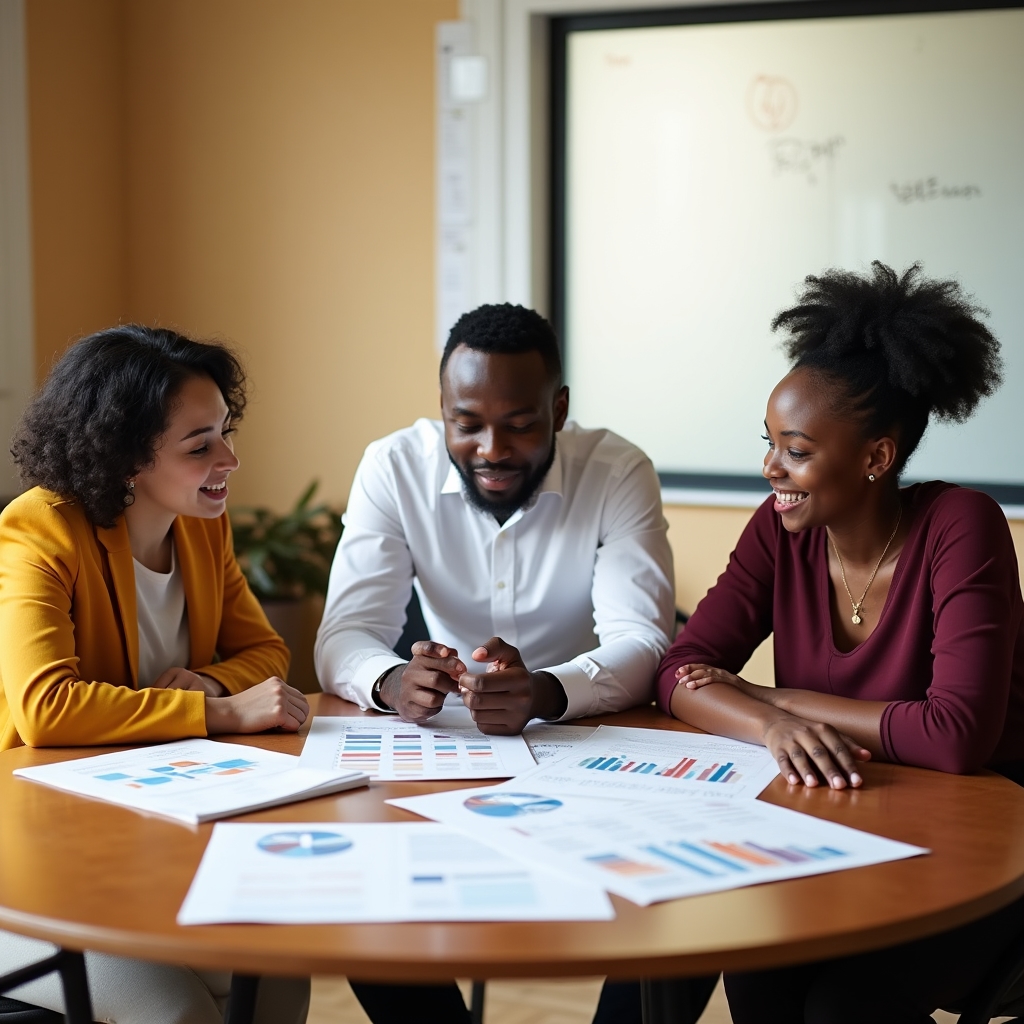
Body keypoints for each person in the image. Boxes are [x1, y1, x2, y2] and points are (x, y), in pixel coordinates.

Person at [316, 303, 714, 1023]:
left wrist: (549, 691)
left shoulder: (618, 470)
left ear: (559, 410)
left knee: (692, 903)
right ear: (440, 410)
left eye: (521, 423)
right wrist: (389, 680)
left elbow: (644, 640)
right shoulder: (392, 466)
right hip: (450, 747)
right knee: (355, 890)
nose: (490, 448)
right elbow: (344, 634)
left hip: (594, 741)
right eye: (465, 423)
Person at [657, 262, 1024, 1023]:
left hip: (989, 850)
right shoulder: (780, 529)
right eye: (769, 444)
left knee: (844, 1008)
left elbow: (955, 737)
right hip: (851, 832)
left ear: (877, 457)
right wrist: (771, 724)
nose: (771, 470)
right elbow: (680, 670)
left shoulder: (963, 527)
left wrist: (779, 696)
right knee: (756, 973)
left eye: (794, 451)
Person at [0, 325, 310, 1023]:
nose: (229, 458)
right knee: (176, 1011)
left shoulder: (202, 524)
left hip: (145, 840)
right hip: (34, 860)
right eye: (200, 445)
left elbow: (264, 652)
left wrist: (208, 683)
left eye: (224, 432)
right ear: (125, 457)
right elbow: (46, 708)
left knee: (281, 976)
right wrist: (220, 713)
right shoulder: (39, 529)